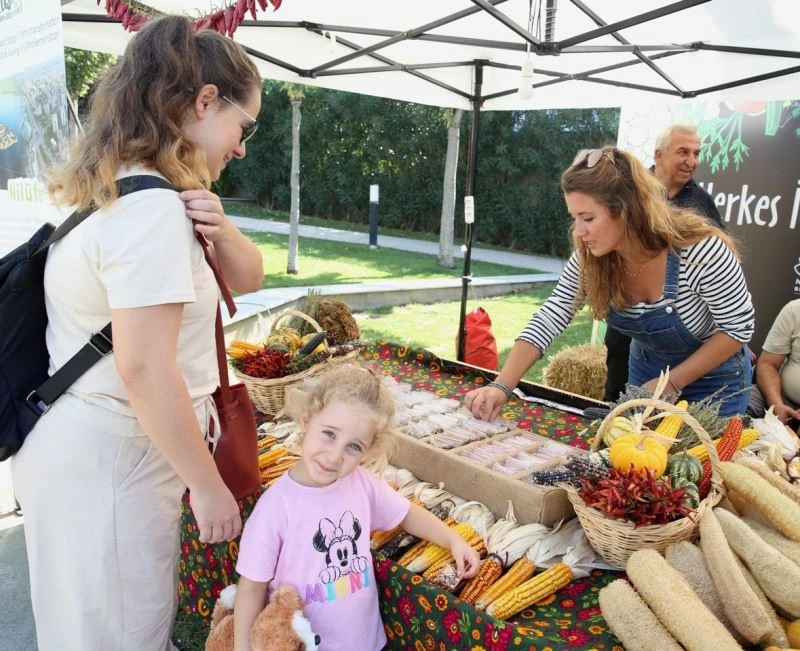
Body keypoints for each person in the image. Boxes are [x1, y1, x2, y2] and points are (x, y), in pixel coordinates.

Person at [10, 16, 265, 651]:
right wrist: (207, 486)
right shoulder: (151, 212)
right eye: (244, 126)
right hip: (115, 460)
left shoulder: (113, 187)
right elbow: (145, 369)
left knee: (86, 631)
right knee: (121, 635)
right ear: (205, 101)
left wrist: (224, 230)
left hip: (86, 449)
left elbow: (250, 279)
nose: (240, 148)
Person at [465, 146, 754, 421]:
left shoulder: (701, 251)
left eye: (588, 217)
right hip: (647, 372)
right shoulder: (590, 256)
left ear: (626, 210)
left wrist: (672, 383)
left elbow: (737, 329)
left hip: (715, 383)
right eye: (574, 217)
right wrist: (502, 385)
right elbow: (554, 312)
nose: (579, 230)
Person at [233, 364, 480, 651]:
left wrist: (453, 539)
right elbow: (251, 587)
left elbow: (407, 514)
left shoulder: (362, 484)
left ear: (369, 450)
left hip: (363, 641)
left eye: (354, 447)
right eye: (329, 433)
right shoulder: (276, 507)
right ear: (306, 421)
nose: (335, 455)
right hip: (302, 644)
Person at [603, 123, 726, 402]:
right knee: (616, 393)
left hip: (676, 330)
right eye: (683, 152)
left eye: (696, 153)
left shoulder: (701, 204)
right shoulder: (629, 192)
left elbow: (722, 270)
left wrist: (730, 329)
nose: (691, 161)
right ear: (659, 154)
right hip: (627, 320)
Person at [747, 299, 800, 432]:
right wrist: (776, 404)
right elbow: (768, 364)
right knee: (735, 405)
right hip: (782, 397)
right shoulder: (795, 310)